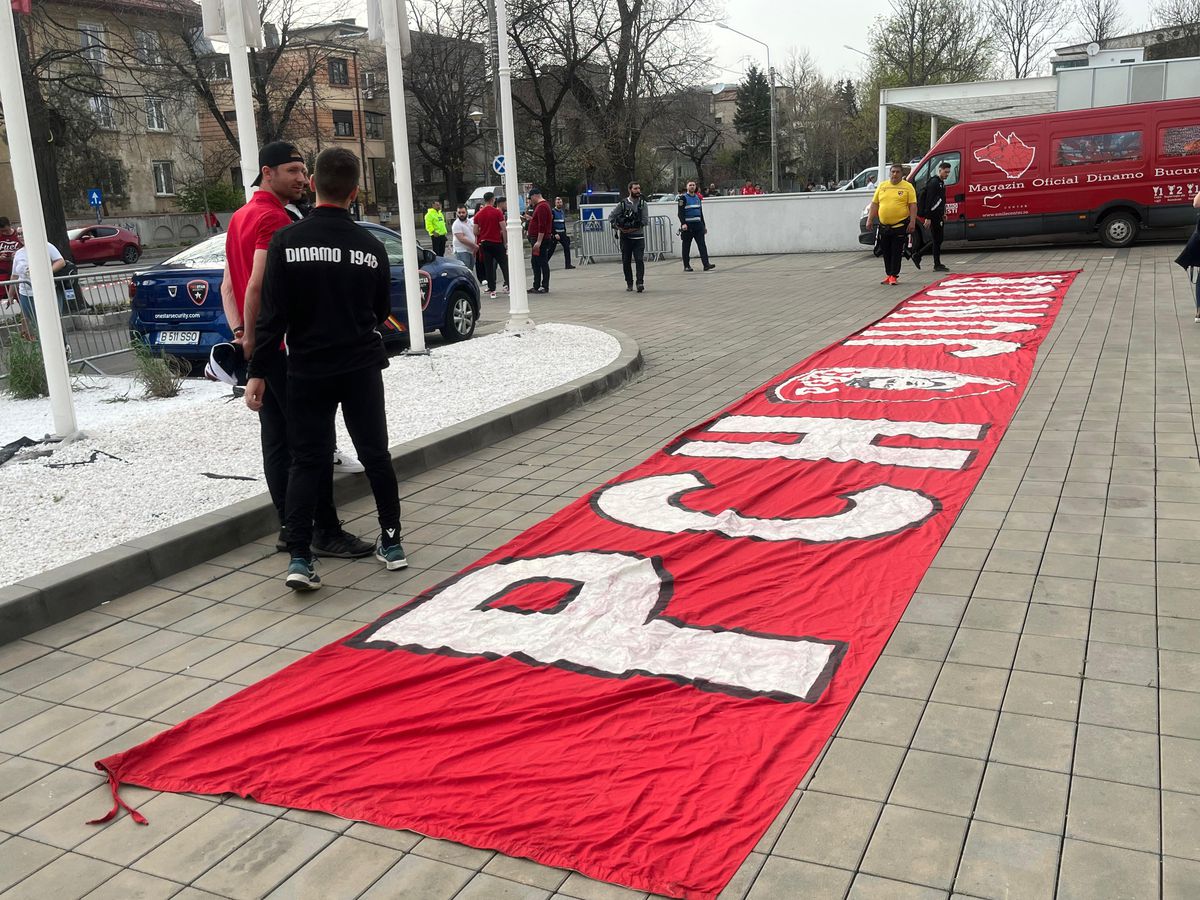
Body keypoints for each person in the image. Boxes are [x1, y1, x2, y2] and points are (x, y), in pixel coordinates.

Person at [245, 147, 407, 590]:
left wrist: (257, 371)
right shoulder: (372, 246)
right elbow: (380, 311)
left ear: (314, 184)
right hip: (359, 366)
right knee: (375, 454)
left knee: (307, 459)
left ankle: (300, 557)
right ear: (354, 192)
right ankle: (392, 542)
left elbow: (272, 316)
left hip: (307, 368)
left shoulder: (286, 241)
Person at [221, 140, 370, 559]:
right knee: (311, 443)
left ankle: (292, 526)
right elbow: (257, 285)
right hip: (284, 348)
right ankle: (325, 531)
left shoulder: (239, 217)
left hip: (263, 348)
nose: (302, 179)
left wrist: (242, 336)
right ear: (267, 173)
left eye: (304, 171)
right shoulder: (273, 218)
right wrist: (258, 341)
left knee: (277, 440)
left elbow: (228, 286)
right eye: (293, 171)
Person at [866, 163, 917, 285]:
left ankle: (894, 275)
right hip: (884, 226)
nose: (895, 174)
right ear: (889, 173)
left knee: (896, 251)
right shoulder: (882, 186)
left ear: (902, 174)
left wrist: (912, 222)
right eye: (893, 172)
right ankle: (889, 274)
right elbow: (875, 204)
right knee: (886, 251)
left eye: (897, 172)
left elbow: (913, 205)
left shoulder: (908, 187)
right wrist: (870, 219)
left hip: (899, 225)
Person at [8, 239, 67, 341]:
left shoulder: (46, 246)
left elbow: (61, 262)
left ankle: (62, 344)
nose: (21, 236)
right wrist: (10, 295)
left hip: (46, 292)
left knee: (52, 321)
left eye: (23, 233)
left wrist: (46, 272)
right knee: (35, 323)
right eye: (19, 234)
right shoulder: (19, 253)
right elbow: (14, 275)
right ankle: (42, 346)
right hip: (25, 293)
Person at [609, 181, 649, 292]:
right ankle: (629, 283)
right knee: (626, 261)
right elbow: (611, 217)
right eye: (635, 189)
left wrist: (632, 228)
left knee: (639, 260)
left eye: (639, 188)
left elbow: (645, 221)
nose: (638, 191)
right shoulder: (623, 204)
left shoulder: (643, 204)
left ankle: (640, 283)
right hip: (625, 238)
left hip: (638, 238)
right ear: (630, 190)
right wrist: (619, 227)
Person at [917, 160, 952, 272]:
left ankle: (934, 262)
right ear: (939, 170)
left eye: (948, 172)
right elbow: (929, 201)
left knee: (938, 239)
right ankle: (921, 257)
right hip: (933, 215)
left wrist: (943, 212)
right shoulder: (934, 183)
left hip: (938, 214)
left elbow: (941, 199)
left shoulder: (941, 183)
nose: (947, 174)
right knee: (937, 239)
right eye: (945, 172)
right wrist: (928, 217)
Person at [473, 191, 509, 299]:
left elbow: (475, 231)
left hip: (485, 243)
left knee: (488, 267)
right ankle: (509, 286)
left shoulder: (478, 214)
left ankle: (492, 290)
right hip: (497, 242)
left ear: (484, 200)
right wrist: (505, 243)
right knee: (504, 265)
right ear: (493, 200)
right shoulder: (497, 212)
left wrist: (483, 231)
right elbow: (503, 228)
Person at [677, 179, 715, 273]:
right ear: (687, 187)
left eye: (693, 185)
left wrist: (703, 226)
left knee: (702, 245)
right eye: (690, 185)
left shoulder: (698, 198)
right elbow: (680, 213)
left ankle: (706, 264)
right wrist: (683, 223)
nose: (692, 187)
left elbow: (700, 213)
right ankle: (686, 266)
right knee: (686, 246)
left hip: (698, 225)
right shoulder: (683, 198)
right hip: (688, 226)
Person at [526, 187, 554, 293]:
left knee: (542, 262)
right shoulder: (541, 206)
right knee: (535, 262)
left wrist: (538, 241)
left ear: (535, 196)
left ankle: (544, 285)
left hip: (540, 239)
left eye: (530, 198)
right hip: (538, 238)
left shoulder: (542, 206)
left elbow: (542, 225)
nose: (530, 200)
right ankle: (536, 285)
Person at [451, 204, 478, 272]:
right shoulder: (456, 224)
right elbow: (462, 239)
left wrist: (475, 246)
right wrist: (475, 246)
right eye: (459, 212)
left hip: (471, 250)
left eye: (463, 212)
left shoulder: (470, 222)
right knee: (465, 271)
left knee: (470, 270)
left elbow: (475, 234)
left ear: (467, 212)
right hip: (461, 251)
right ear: (457, 213)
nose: (461, 214)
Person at [552, 196, 575, 269]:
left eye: (560, 202)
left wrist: (565, 233)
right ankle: (544, 264)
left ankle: (568, 264)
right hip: (556, 234)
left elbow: (563, 222)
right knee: (551, 250)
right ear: (555, 203)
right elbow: (551, 224)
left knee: (567, 248)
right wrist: (554, 233)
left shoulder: (562, 212)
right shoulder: (553, 212)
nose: (559, 203)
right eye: (558, 202)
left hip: (562, 233)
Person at [0, 217, 23, 286]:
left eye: (6, 230)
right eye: (2, 231)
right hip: (2, 269)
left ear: (10, 225)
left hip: (16, 268)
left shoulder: (18, 235)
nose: (5, 232)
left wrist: (18, 253)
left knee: (15, 287)